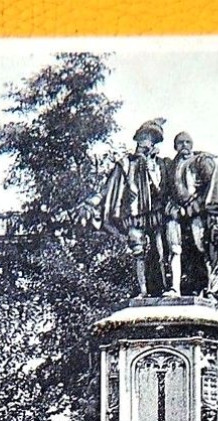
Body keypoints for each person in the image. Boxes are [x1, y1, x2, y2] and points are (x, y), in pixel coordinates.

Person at [93, 119, 169, 297]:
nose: (146, 142)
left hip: (155, 212)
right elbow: (114, 188)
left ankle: (162, 287)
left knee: (160, 249)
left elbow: (161, 188)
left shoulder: (159, 163)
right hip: (134, 213)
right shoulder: (126, 163)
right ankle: (142, 290)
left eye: (151, 139)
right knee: (138, 251)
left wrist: (150, 166)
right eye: (144, 137)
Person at [163, 131, 218, 296]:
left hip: (198, 214)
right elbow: (168, 190)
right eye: (180, 143)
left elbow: (210, 189)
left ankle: (204, 287)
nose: (184, 146)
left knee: (200, 248)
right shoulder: (172, 165)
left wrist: (193, 208)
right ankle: (187, 287)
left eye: (188, 142)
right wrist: (171, 207)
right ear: (175, 146)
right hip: (178, 215)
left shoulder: (201, 161)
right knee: (181, 250)